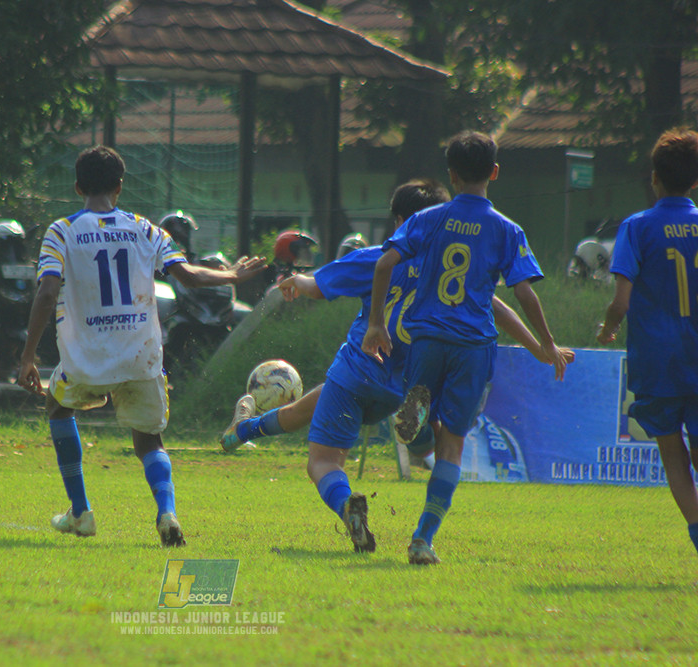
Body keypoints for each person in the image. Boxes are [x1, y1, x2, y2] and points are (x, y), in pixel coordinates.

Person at [17, 146, 266, 547]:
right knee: (149, 439)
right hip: (140, 353)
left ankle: (80, 512)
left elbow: (47, 292)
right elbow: (187, 276)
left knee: (57, 406)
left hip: (86, 358)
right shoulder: (144, 228)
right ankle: (167, 512)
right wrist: (232, 275)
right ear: (119, 186)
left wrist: (28, 356)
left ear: (78, 186)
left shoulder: (61, 230)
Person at [220, 180, 571, 456]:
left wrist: (298, 280)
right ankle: (244, 430)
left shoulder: (378, 257)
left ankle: (247, 431)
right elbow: (501, 308)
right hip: (410, 373)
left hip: (365, 365)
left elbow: (317, 286)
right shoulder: (447, 265)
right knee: (417, 429)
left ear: (406, 223)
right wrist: (540, 347)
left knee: (310, 425)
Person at [362, 131, 568, 565]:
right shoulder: (507, 229)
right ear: (494, 173)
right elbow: (524, 295)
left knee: (419, 418)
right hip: (473, 345)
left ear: (452, 175)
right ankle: (423, 538)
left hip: (429, 337)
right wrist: (547, 344)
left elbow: (383, 263)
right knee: (452, 444)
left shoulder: (427, 219)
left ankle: (415, 425)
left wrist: (376, 323)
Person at [598, 128, 698, 558]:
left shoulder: (637, 227)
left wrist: (607, 329)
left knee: (673, 453)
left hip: (657, 361)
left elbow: (621, 301)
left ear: (654, 178)